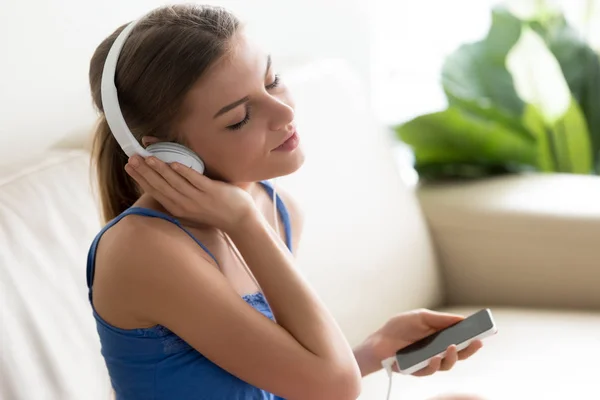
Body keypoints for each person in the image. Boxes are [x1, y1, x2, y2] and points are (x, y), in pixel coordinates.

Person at [86, 4, 485, 399]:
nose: (284, 111)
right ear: (167, 154)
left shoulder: (273, 207)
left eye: (272, 80)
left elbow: (279, 378)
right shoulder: (145, 249)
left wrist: (372, 352)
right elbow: (334, 387)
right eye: (240, 117)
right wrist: (243, 222)